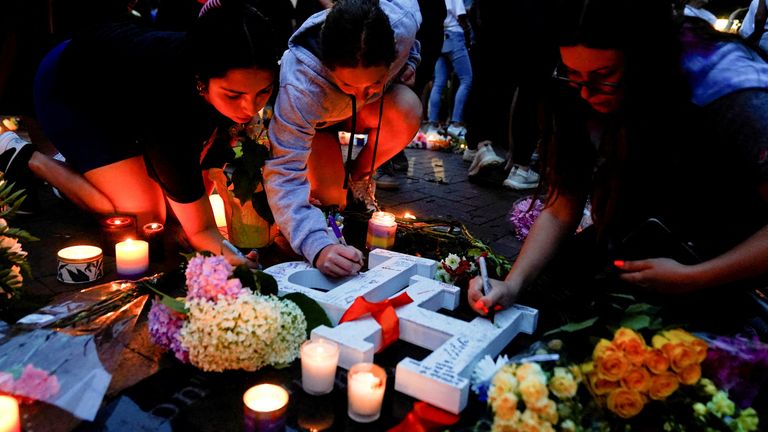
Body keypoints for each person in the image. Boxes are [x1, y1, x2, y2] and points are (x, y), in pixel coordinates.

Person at [468, 0, 768, 332]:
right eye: (573, 75)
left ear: (644, 60)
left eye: (604, 76)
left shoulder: (731, 93)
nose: (585, 94)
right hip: (638, 245)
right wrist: (512, 284)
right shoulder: (575, 86)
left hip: (717, 260)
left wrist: (694, 278)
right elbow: (562, 205)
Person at [25, 0, 279, 267]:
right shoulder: (171, 104)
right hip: (71, 87)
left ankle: (95, 174)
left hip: (128, 95)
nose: (250, 109)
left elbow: (197, 172)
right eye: (233, 95)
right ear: (201, 80)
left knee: (176, 209)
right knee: (145, 217)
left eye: (263, 92)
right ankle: (31, 159)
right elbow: (201, 230)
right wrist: (235, 261)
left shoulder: (222, 81)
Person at [264, 0, 421, 278]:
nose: (362, 95)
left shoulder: (403, 21)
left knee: (407, 109)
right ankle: (333, 183)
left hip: (360, 114)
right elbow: (284, 171)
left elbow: (411, 43)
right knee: (331, 202)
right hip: (319, 123)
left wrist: (410, 60)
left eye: (374, 83)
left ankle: (358, 176)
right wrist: (316, 244)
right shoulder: (300, 83)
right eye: (348, 84)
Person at [426, 0, 472, 140]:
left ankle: (432, 126)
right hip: (455, 35)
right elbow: (460, 15)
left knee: (439, 82)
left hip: (441, 36)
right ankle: (456, 124)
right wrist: (468, 31)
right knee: (467, 79)